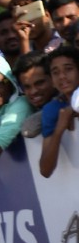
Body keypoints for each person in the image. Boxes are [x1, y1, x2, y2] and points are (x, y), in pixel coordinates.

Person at [39, 44, 79, 178]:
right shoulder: (51, 110)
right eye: (55, 72)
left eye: (68, 69)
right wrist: (59, 129)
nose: (62, 76)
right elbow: (45, 170)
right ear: (51, 80)